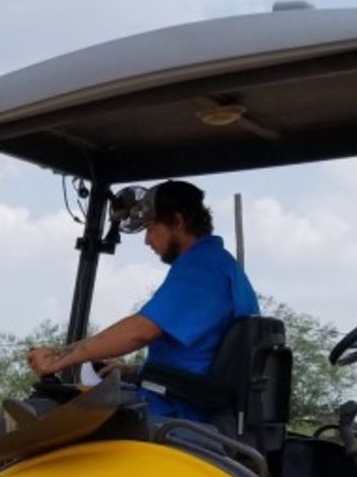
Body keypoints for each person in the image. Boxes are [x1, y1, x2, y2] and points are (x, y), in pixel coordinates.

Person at [26, 179, 258, 422]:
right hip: (189, 404)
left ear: (178, 222)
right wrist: (135, 372)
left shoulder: (202, 270)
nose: (147, 241)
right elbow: (204, 362)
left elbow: (140, 331)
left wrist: (59, 358)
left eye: (150, 227)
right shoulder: (221, 265)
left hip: (177, 416)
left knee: (51, 425)